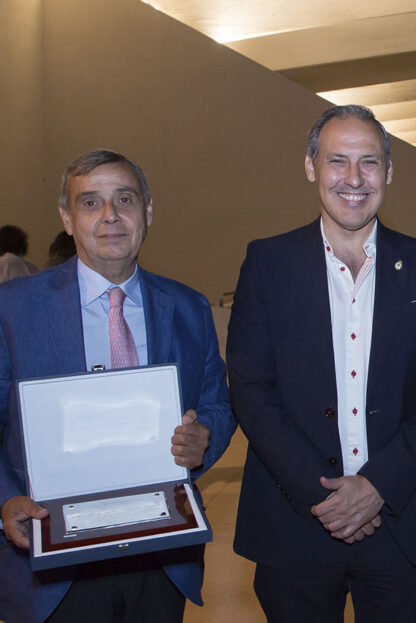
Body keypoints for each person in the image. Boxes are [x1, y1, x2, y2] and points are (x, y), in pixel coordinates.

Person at [227, 105, 416, 622]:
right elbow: (250, 388)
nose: (354, 178)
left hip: (401, 521)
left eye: (369, 162)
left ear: (389, 171)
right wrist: (328, 498)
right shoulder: (267, 263)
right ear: (310, 166)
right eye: (338, 161)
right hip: (296, 522)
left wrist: (377, 487)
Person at [0, 150, 235, 623]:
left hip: (160, 555)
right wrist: (5, 497)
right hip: (53, 561)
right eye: (90, 202)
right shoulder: (12, 309)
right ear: (67, 218)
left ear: (147, 210)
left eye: (124, 199)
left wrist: (204, 437)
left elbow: (217, 403)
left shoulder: (187, 307)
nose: (110, 215)